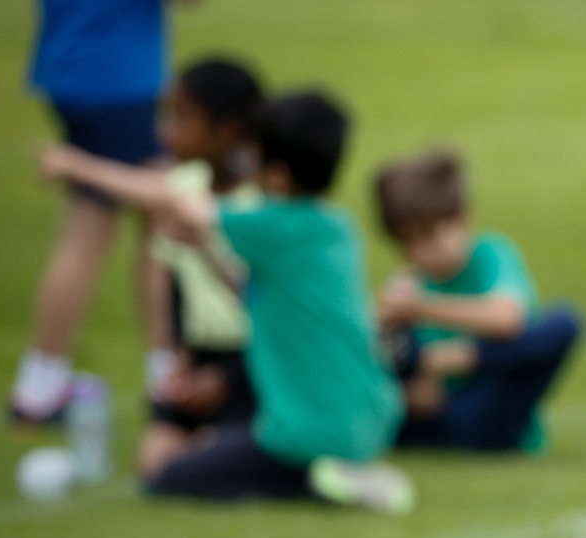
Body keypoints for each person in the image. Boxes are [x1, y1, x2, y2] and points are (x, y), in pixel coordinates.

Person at [41, 91, 411, 512]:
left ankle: (320, 481)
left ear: (278, 176)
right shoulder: (335, 228)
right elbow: (255, 296)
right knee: (214, 451)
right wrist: (207, 252)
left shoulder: (273, 223)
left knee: (170, 478)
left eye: (252, 158)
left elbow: (173, 199)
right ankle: (338, 470)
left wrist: (79, 166)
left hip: (309, 433)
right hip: (368, 417)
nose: (245, 167)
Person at [14, 0, 185, 423]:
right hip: (118, 78)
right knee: (107, 230)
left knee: (150, 222)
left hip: (72, 66)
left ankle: (164, 373)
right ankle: (40, 387)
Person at [374, 149, 580, 453]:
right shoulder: (410, 283)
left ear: (461, 219)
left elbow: (507, 319)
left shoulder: (490, 254)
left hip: (491, 406)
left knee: (562, 324)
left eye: (429, 237)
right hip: (439, 416)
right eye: (407, 243)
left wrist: (432, 349)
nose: (419, 253)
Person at [136, 57, 264, 481]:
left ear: (225, 129)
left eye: (182, 118)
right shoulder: (182, 187)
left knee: (195, 467)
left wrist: (227, 378)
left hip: (255, 362)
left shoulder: (261, 204)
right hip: (201, 353)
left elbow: (274, 309)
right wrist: (179, 359)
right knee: (154, 463)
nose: (166, 131)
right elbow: (176, 281)